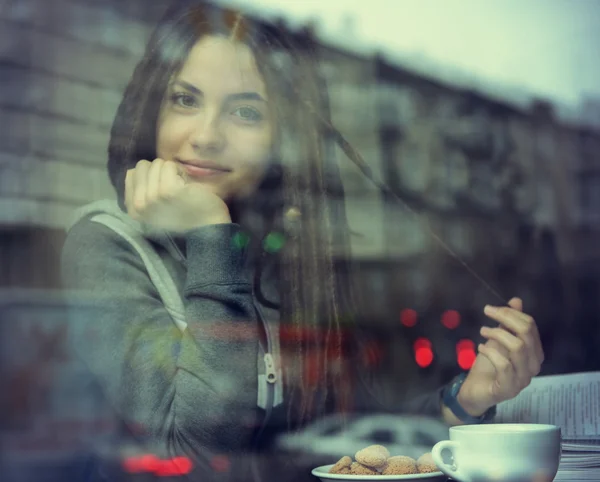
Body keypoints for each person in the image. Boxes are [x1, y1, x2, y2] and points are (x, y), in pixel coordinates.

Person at [60, 1, 544, 480]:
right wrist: (211, 233)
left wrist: (466, 399)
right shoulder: (104, 244)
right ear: (151, 110)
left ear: (284, 139)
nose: (206, 136)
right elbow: (195, 458)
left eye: (246, 112)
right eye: (184, 99)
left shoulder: (281, 255)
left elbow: (348, 436)